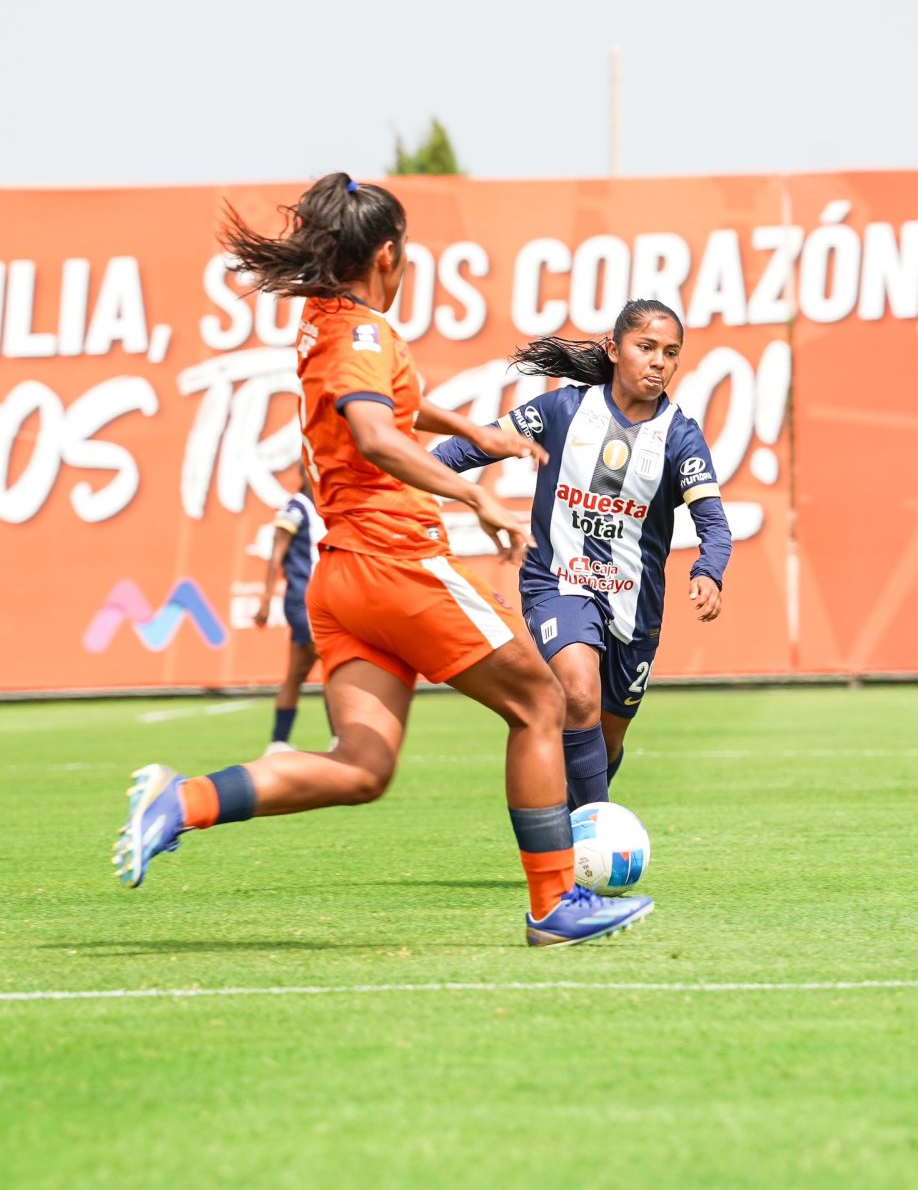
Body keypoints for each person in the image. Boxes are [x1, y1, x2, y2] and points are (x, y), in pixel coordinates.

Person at [112, 172, 652, 947]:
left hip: (342, 581)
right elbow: (375, 431)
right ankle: (555, 903)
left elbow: (389, 403)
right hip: (395, 561)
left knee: (363, 767)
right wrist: (478, 499)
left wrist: (483, 432)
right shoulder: (362, 333)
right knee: (542, 702)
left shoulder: (330, 321)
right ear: (389, 254)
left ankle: (181, 801)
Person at [433, 298, 732, 811]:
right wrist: (413, 478)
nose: (659, 361)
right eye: (646, 347)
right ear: (615, 350)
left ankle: (574, 829)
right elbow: (473, 447)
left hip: (635, 607)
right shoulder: (561, 410)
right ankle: (594, 839)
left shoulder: (680, 437)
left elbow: (714, 524)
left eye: (671, 352)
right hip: (558, 582)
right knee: (578, 694)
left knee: (608, 739)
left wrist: (710, 570)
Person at [254, 462, 333, 755]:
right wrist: (265, 598)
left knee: (296, 673)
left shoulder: (325, 509)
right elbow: (277, 554)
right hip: (304, 601)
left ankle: (278, 742)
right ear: (306, 474)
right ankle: (340, 738)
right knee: (334, 664)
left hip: (323, 601)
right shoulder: (295, 508)